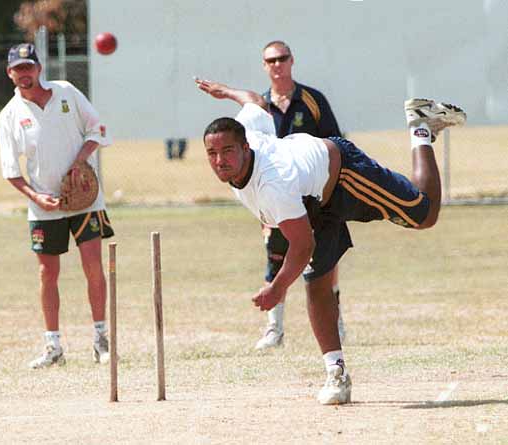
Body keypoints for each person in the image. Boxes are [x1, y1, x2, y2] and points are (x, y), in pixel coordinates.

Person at [195, 77, 465, 404]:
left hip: (342, 175)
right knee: (317, 282)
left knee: (425, 214)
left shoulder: (273, 184)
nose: (220, 160)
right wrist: (226, 93)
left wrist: (277, 288)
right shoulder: (246, 130)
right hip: (309, 198)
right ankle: (336, 374)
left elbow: (303, 245)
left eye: (227, 151)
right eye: (212, 153)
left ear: (245, 147)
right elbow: (254, 101)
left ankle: (420, 125)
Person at [0, 43, 115, 369]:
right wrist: (36, 198)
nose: (24, 73)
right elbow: (10, 172)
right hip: (44, 205)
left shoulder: (66, 92)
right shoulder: (9, 116)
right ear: (10, 74)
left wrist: (80, 160)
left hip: (84, 200)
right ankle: (53, 347)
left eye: (28, 67)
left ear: (38, 68)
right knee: (47, 273)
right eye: (17, 69)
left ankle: (101, 340)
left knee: (93, 265)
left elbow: (98, 129)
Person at [256, 40, 345, 350]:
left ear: (292, 61)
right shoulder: (261, 107)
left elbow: (334, 143)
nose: (277, 65)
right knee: (276, 257)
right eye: (271, 60)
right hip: (279, 197)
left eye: (282, 58)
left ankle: (335, 320)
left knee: (326, 258)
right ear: (264, 66)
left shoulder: (312, 100)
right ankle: (274, 328)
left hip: (315, 193)